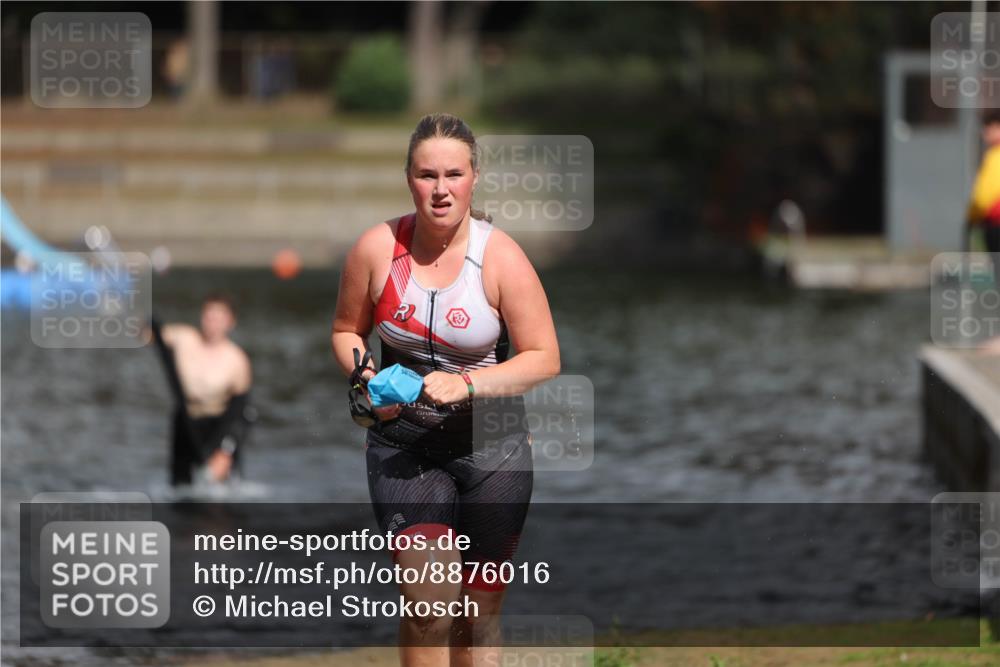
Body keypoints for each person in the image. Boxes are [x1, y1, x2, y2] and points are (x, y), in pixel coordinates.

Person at [331, 113, 560, 667]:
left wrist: (466, 384)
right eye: (427, 175)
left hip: (494, 447)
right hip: (405, 445)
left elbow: (545, 359)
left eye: (453, 174)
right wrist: (366, 376)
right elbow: (346, 331)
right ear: (408, 178)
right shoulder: (376, 249)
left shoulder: (500, 257)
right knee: (430, 606)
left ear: (473, 177)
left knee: (479, 614)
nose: (440, 190)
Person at [158, 295, 253, 486]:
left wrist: (225, 450)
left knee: (221, 490)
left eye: (218, 318)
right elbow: (150, 333)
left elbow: (242, 411)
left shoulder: (237, 360)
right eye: (208, 316)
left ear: (230, 322)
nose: (212, 322)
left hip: (219, 425)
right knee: (179, 487)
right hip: (185, 420)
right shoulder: (184, 338)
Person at [967, 109, 1000, 253]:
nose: (984, 135)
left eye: (988, 130)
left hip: (996, 222)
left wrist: (972, 217)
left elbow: (984, 195)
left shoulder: (994, 156)